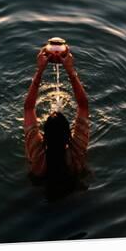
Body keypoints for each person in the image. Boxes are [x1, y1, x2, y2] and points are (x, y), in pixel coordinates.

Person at [23, 45, 90, 198]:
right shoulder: (76, 155)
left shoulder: (37, 158)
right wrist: (71, 71)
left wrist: (39, 70)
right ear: (69, 136)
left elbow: (28, 108)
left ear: (43, 137)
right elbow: (83, 105)